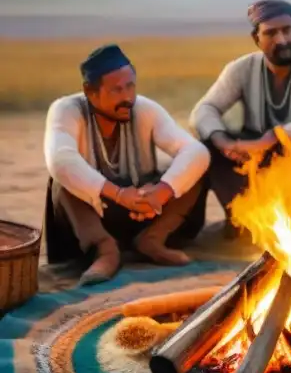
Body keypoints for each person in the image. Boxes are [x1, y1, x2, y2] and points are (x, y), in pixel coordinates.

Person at [43, 45, 211, 285]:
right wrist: (120, 195)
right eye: (116, 90)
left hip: (144, 208)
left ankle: (152, 240)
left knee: (195, 170)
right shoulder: (66, 110)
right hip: (94, 213)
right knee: (63, 180)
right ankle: (105, 251)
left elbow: (195, 151)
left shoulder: (144, 109)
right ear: (90, 93)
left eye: (130, 86)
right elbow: (60, 159)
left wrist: (161, 192)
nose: (127, 97)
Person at [189, 0, 291, 236]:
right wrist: (222, 141)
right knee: (204, 147)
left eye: (287, 30)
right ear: (256, 38)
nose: (282, 40)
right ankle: (242, 221)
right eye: (271, 33)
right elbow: (204, 109)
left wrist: (273, 137)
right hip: (252, 156)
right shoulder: (241, 68)